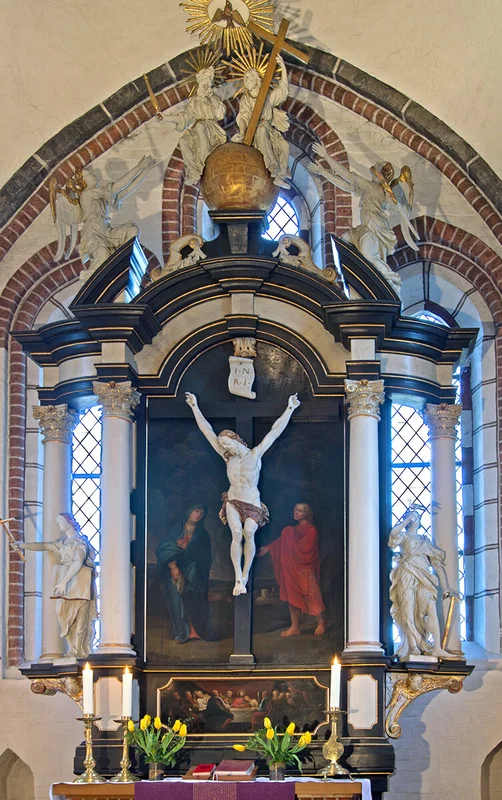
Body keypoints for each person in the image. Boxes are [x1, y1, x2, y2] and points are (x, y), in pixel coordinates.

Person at [185, 392, 300, 596]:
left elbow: (275, 432)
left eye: (226, 444)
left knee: (249, 532)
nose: (224, 447)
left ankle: (246, 574)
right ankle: (238, 578)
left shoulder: (255, 454)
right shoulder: (228, 458)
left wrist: (289, 409)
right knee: (236, 534)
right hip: (233, 500)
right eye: (223, 445)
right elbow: (207, 431)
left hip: (252, 501)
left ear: (235, 440)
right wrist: (194, 406)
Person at [19, 513, 97, 657]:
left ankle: (77, 651)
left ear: (69, 522)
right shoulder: (62, 543)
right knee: (61, 611)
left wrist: (63, 582)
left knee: (80, 616)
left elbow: (78, 561)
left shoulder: (80, 542)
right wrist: (22, 545)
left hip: (80, 583)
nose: (58, 525)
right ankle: (72, 647)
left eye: (59, 521)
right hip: (65, 582)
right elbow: (44, 545)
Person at [389, 505, 458, 658]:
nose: (415, 519)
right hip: (407, 574)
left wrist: (445, 587)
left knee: (431, 608)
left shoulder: (424, 541)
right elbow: (393, 533)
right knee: (408, 610)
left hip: (425, 577)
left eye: (417, 517)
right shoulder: (404, 537)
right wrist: (406, 520)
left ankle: (437, 648)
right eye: (412, 516)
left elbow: (437, 565)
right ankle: (414, 646)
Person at [258, 503, 326, 637]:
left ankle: (321, 622)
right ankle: (295, 627)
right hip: (292, 568)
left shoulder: (311, 530)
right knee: (292, 596)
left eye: (300, 511)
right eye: (295, 510)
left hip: (304, 569)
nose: (296, 513)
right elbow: (281, 542)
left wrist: (289, 538)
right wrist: (268, 548)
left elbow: (305, 549)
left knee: (312, 595)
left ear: (306, 514)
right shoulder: (294, 530)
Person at [156, 502, 217, 644]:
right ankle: (181, 632)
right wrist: (173, 566)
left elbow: (205, 558)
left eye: (201, 513)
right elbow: (164, 548)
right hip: (175, 570)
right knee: (176, 596)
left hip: (194, 575)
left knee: (193, 597)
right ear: (189, 511)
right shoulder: (176, 530)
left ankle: (198, 631)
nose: (198, 515)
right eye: (196, 511)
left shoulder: (202, 535)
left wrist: (188, 547)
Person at [232, 54, 290, 187]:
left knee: (284, 146)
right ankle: (275, 169)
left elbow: (282, 91)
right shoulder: (246, 99)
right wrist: (242, 133)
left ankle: (281, 175)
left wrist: (283, 68)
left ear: (256, 79)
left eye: (249, 77)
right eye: (245, 78)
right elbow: (243, 117)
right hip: (256, 131)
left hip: (268, 128)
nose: (246, 80)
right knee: (262, 130)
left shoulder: (267, 94)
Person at [164, 66, 226, 184]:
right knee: (183, 140)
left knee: (200, 126)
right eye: (204, 79)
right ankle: (194, 171)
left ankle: (204, 164)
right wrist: (165, 118)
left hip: (212, 129)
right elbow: (184, 117)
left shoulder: (214, 98)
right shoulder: (194, 101)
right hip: (197, 130)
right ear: (199, 80)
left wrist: (211, 97)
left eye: (208, 79)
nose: (206, 82)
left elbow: (220, 114)